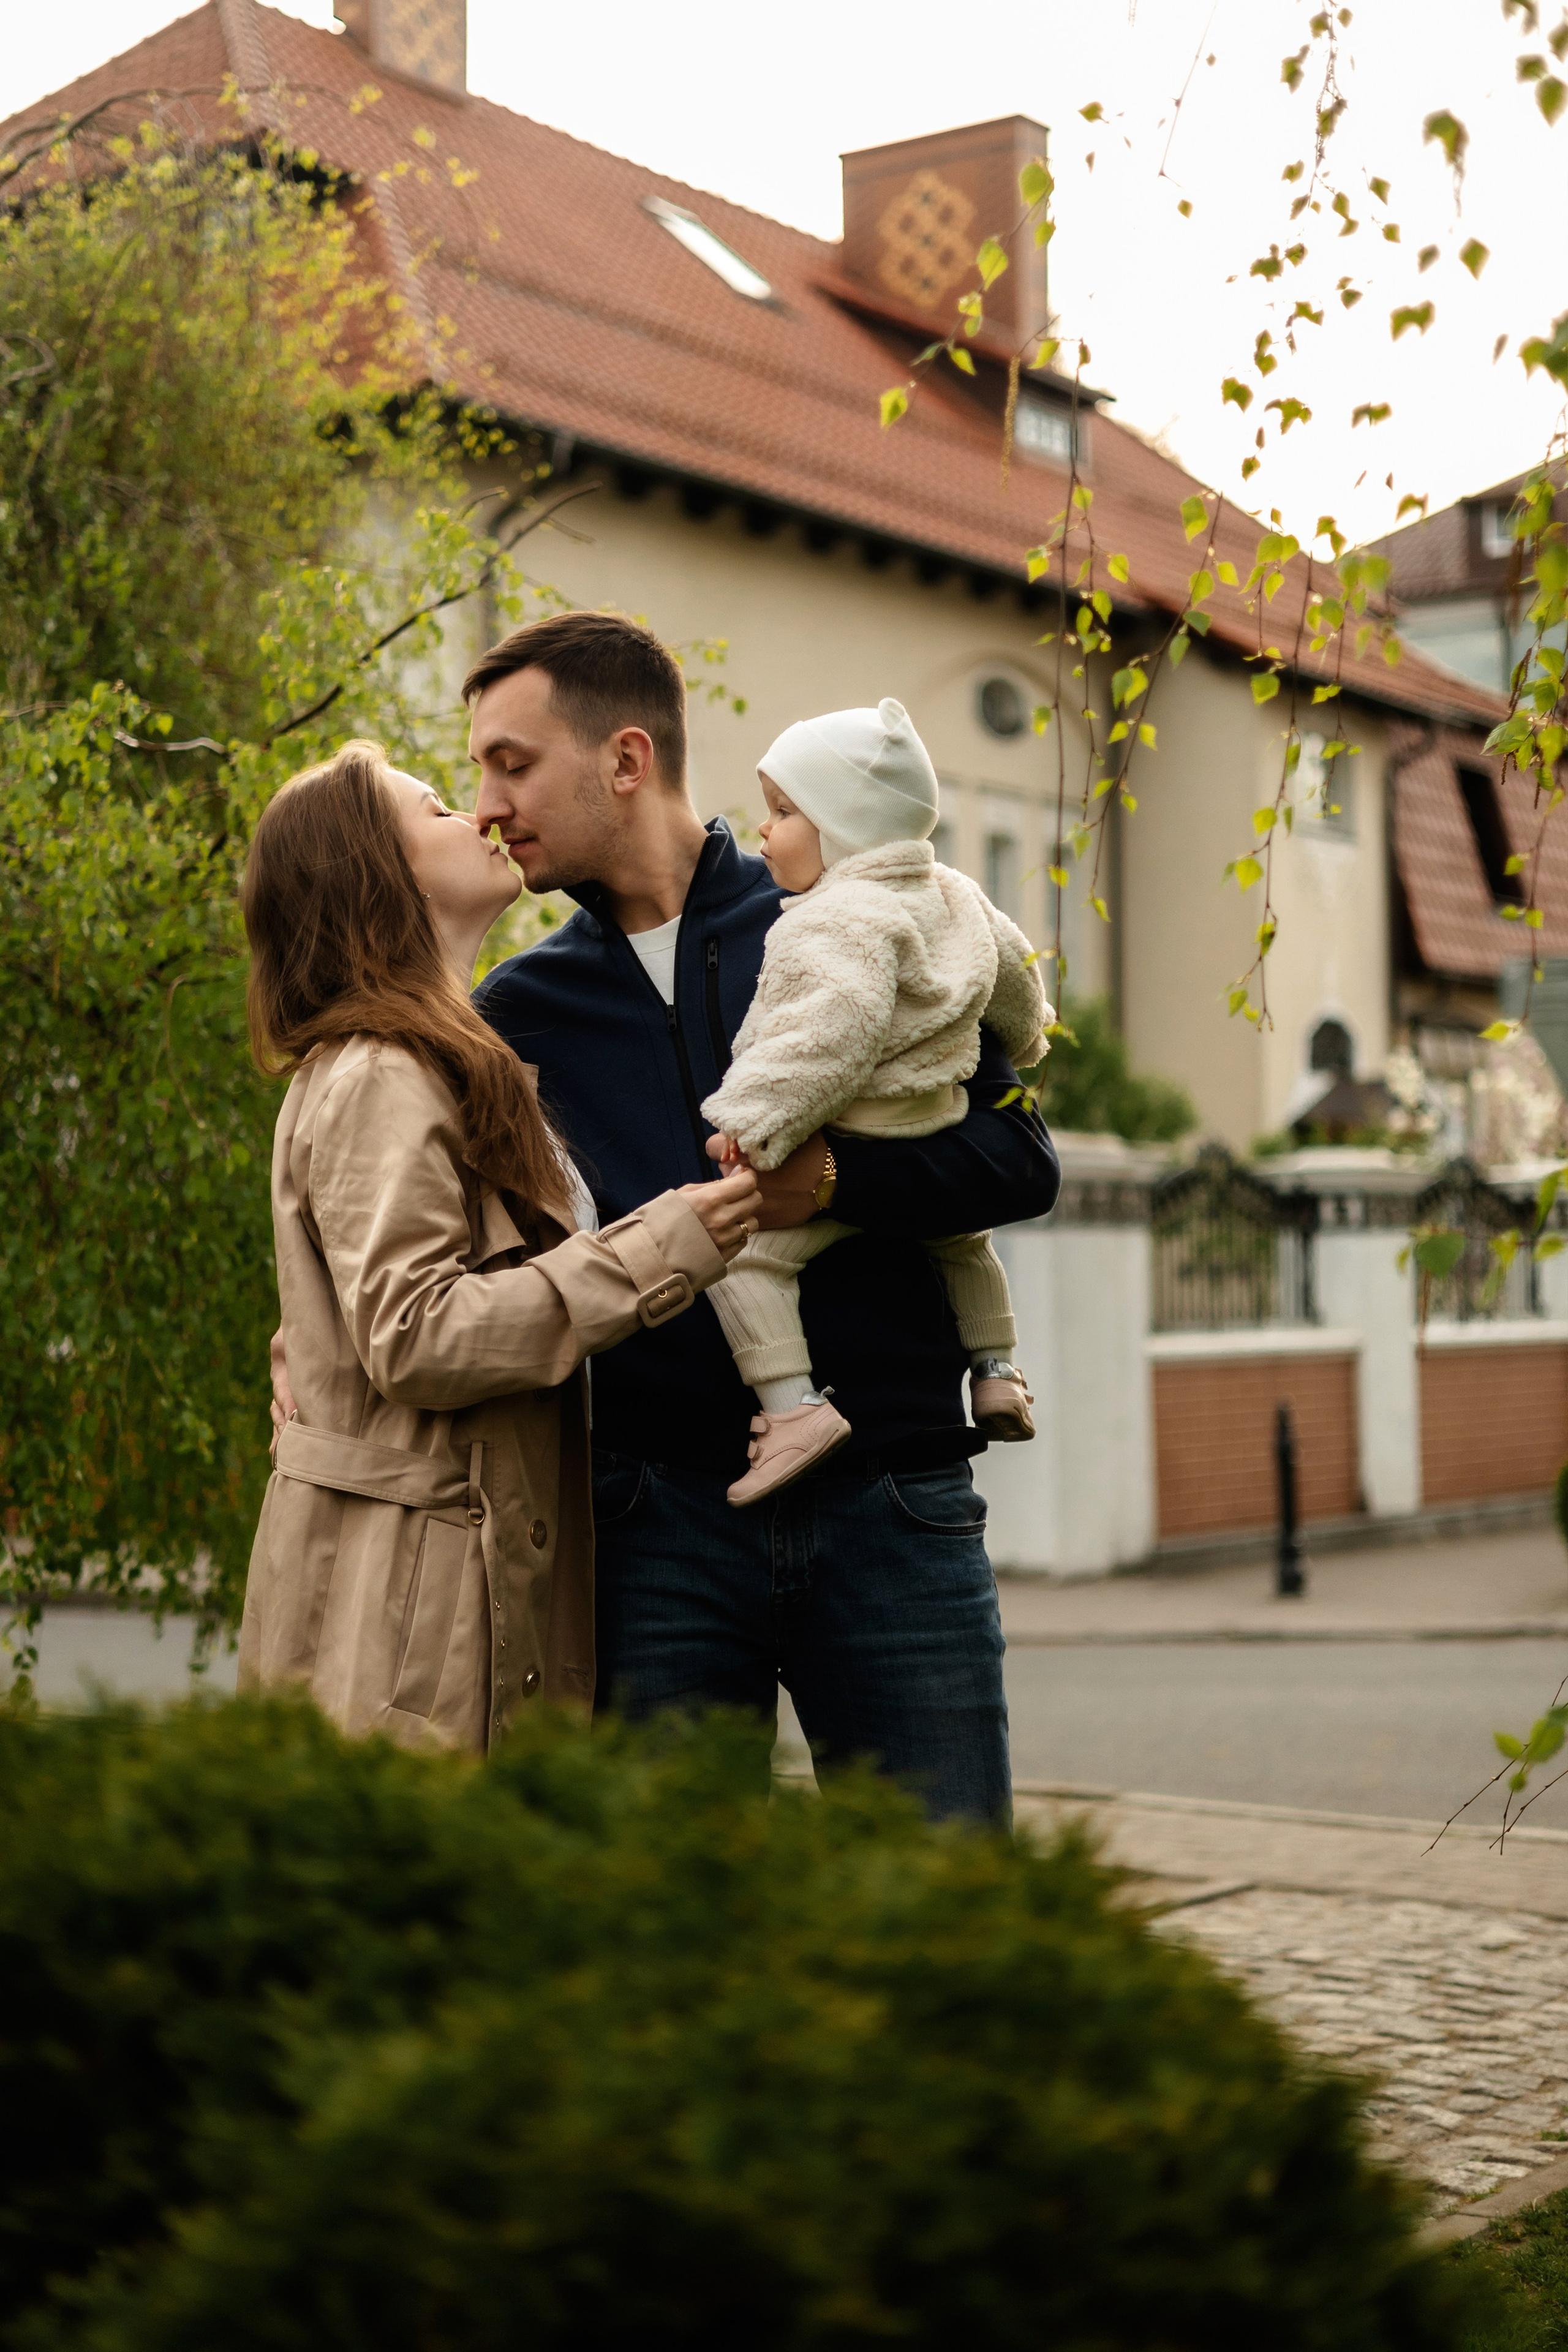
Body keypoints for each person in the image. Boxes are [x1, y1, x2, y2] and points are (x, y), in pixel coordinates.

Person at [468, 612, 1061, 1822]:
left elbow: (1018, 1160)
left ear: (625, 760)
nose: (487, 805)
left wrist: (835, 1181)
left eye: (511, 764)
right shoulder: (518, 1014)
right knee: (670, 1917)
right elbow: (448, 1254)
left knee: (941, 1903)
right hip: (653, 1530)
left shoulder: (853, 905)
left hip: (894, 1505)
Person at [240, 738, 760, 1754]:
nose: (476, 814)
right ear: (378, 876)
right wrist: (665, 1247)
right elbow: (415, 1335)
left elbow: (378, 1303)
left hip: (439, 1592)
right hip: (413, 1622)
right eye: (434, 806)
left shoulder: (444, 1057)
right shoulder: (382, 1072)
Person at [701, 696, 1048, 1507]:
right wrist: (1028, 1040)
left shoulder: (833, 920)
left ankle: (793, 1409)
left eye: (784, 811)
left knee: (743, 1260)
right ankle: (997, 1372)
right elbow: (1013, 973)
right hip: (936, 1112)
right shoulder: (954, 891)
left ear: (843, 825)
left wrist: (750, 1122)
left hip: (859, 1125)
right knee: (961, 1238)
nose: (763, 831)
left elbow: (826, 1036)